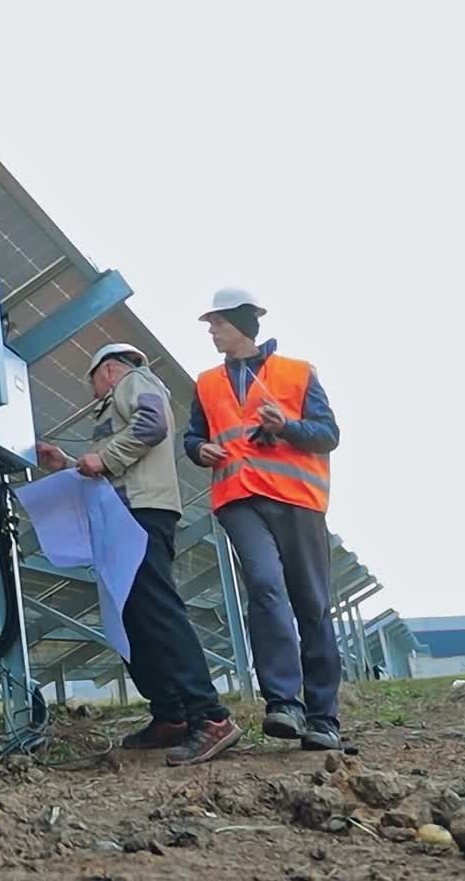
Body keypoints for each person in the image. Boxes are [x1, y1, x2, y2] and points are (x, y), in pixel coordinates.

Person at [38, 343, 242, 765]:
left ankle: (211, 717)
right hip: (126, 511)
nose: (93, 393)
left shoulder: (136, 381)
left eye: (93, 381)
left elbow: (151, 426)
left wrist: (102, 458)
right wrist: (68, 463)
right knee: (135, 618)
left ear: (109, 370)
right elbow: (110, 465)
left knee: (157, 612)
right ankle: (171, 716)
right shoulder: (121, 396)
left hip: (143, 513)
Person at [184, 288, 343, 750]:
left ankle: (323, 718)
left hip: (297, 498)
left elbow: (328, 434)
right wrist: (198, 449)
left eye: (217, 323)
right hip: (239, 498)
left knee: (310, 604)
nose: (212, 332)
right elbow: (194, 436)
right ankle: (284, 705)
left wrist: (286, 427)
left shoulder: (297, 372)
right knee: (266, 585)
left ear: (241, 325)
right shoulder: (206, 382)